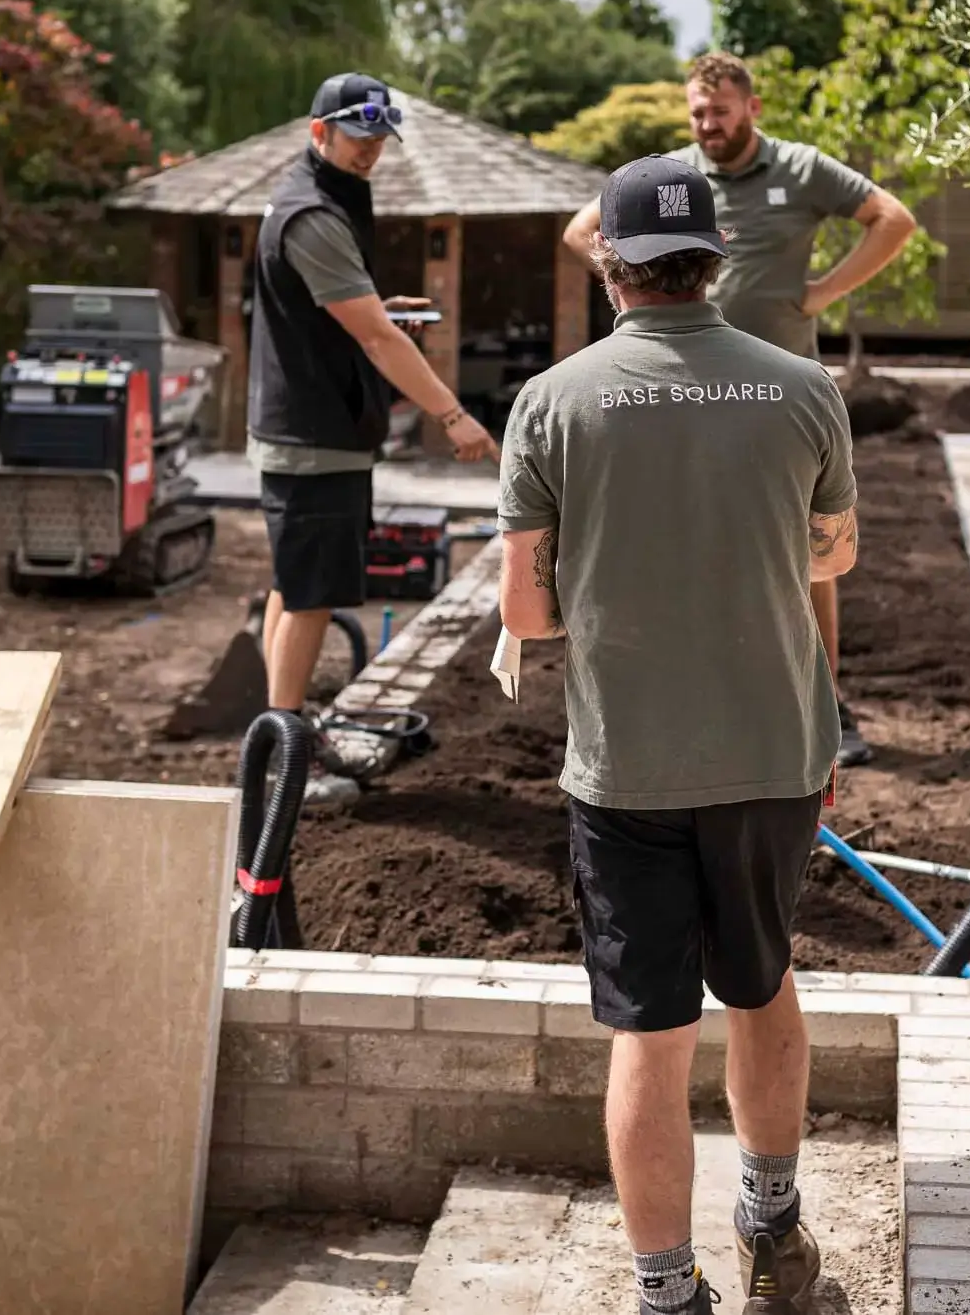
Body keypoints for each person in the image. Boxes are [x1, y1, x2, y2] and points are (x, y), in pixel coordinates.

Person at [500, 154, 859, 1315]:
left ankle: (666, 1293)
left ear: (610, 261)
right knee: (761, 986)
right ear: (719, 259)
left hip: (626, 766)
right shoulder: (802, 387)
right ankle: (772, 1226)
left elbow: (525, 614)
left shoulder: (551, 401)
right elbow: (832, 551)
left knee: (650, 1035)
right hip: (772, 754)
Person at [562, 52, 913, 767]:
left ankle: (826, 705)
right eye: (696, 111)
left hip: (778, 393)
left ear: (751, 107)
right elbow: (580, 231)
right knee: (684, 540)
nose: (706, 124)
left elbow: (892, 218)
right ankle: (692, 698)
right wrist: (628, 288)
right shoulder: (673, 182)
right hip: (682, 384)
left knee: (807, 548)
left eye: (719, 111)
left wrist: (820, 292)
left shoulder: (802, 168)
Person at [249, 72, 497, 721]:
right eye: (358, 136)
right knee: (312, 598)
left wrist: (375, 309)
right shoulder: (313, 217)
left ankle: (274, 727)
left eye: (380, 136)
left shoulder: (317, 196)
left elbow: (325, 311)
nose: (371, 150)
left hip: (304, 430)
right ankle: (289, 742)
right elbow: (381, 344)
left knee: (294, 582)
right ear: (319, 132)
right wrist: (453, 414)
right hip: (313, 439)